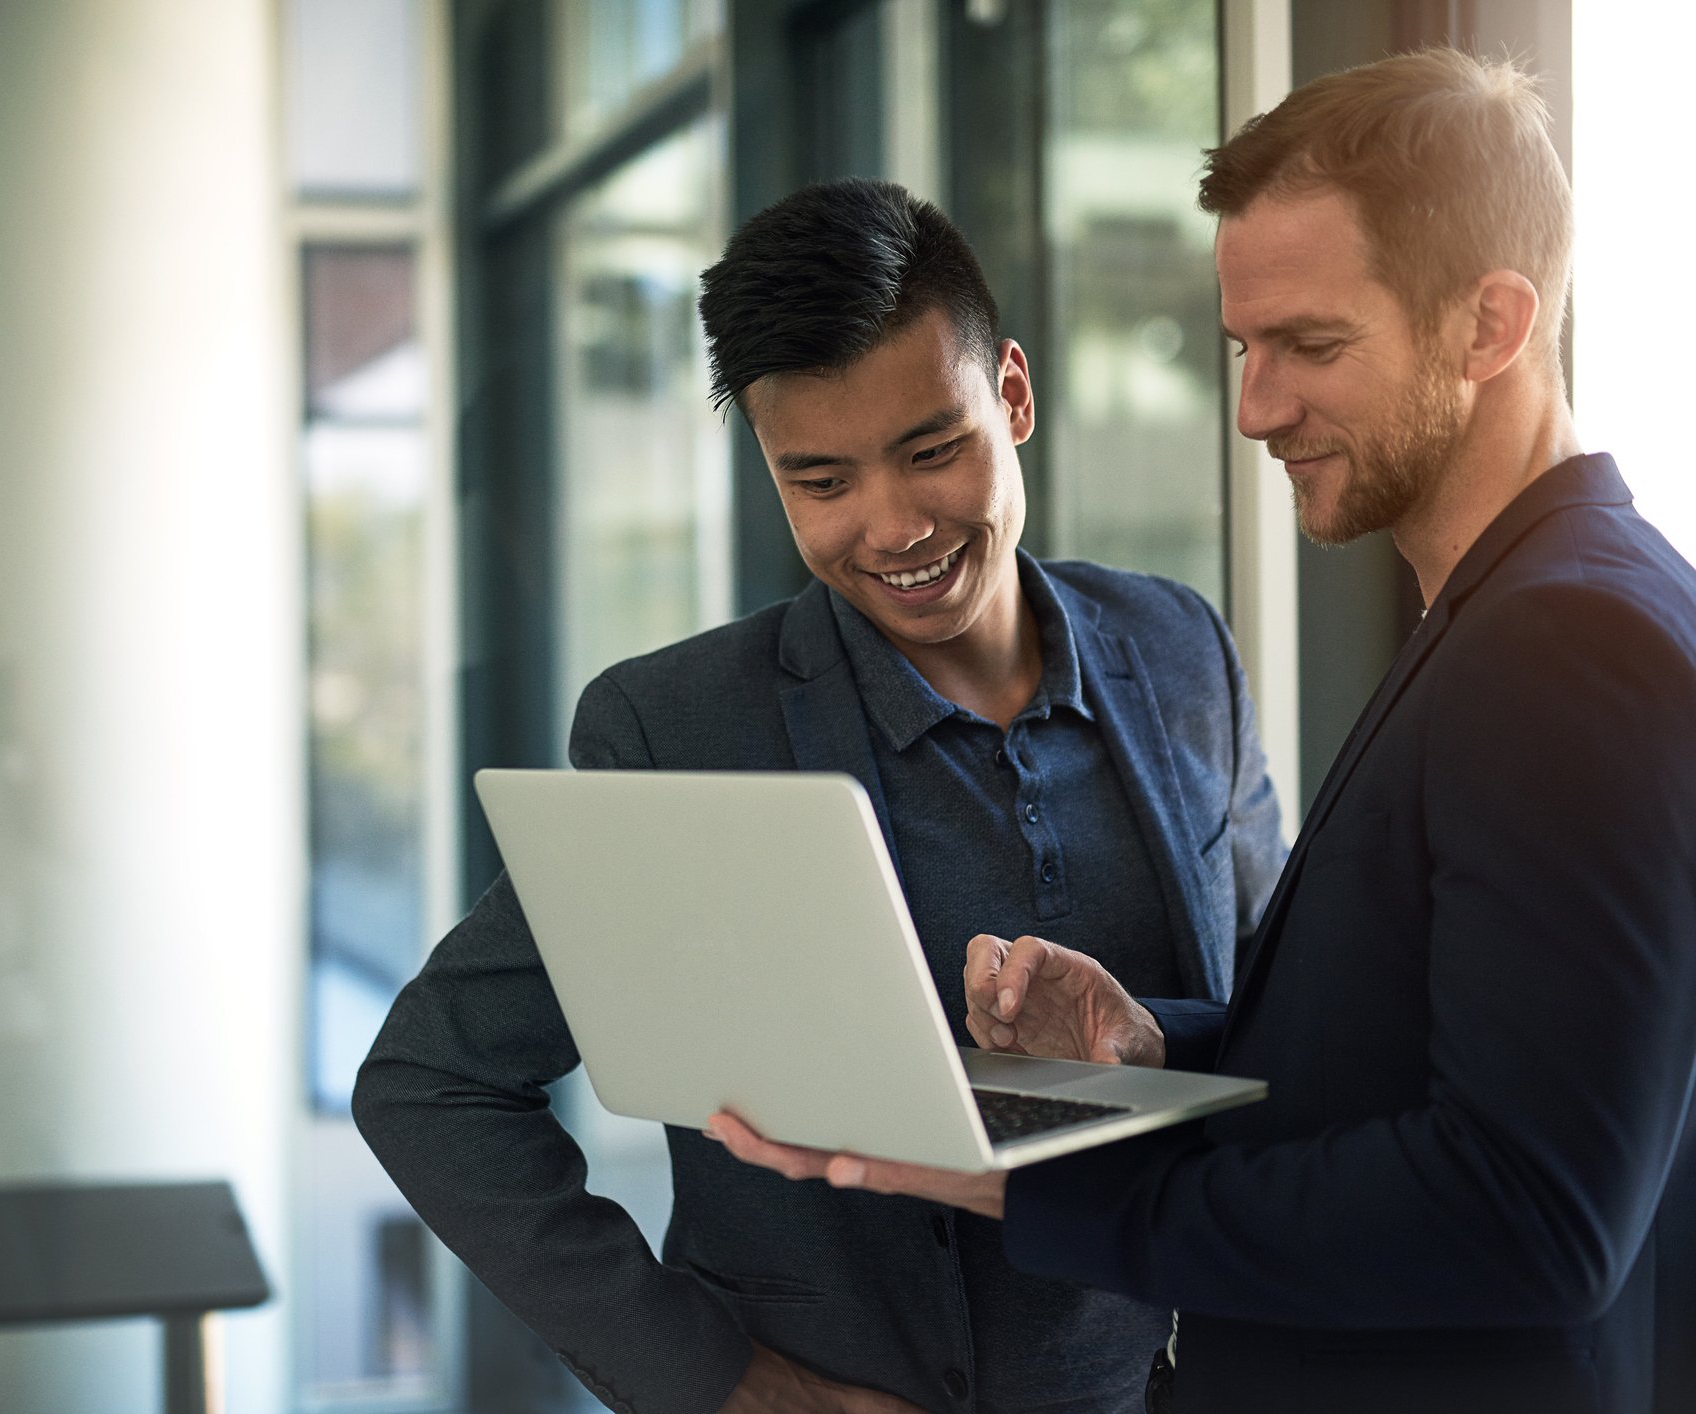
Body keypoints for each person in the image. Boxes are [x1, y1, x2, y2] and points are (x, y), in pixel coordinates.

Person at [709, 49, 1696, 1414]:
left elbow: (1527, 1210)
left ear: (1490, 323)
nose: (1254, 407)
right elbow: (1454, 1056)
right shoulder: (1531, 618)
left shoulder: (1568, 652)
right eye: (1242, 347)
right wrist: (1154, 1048)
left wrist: (1022, 1179)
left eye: (1310, 346)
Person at [354, 178, 1286, 1414]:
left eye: (930, 450)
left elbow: (1286, 1024)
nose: (892, 525)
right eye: (822, 480)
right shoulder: (679, 732)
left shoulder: (1180, 653)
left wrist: (1147, 1039)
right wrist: (722, 1379)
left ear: (1011, 394)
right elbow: (431, 1083)